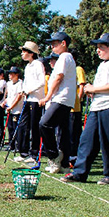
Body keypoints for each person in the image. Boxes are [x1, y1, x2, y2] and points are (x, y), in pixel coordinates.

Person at [62, 33, 109, 185]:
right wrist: (91, 91)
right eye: (97, 48)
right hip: (96, 107)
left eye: (101, 48)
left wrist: (94, 88)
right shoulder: (102, 65)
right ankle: (79, 173)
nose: (98, 51)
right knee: (86, 140)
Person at [39, 32, 77, 174]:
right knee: (63, 132)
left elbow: (58, 77)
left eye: (55, 43)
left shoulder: (64, 57)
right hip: (66, 99)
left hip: (61, 98)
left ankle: (54, 156)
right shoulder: (68, 58)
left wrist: (47, 97)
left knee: (44, 124)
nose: (52, 46)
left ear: (63, 44)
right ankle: (64, 163)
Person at [16, 41, 45, 163]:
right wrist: (24, 90)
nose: (22, 54)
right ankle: (23, 153)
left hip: (36, 100)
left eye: (24, 51)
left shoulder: (38, 64)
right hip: (28, 99)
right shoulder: (28, 66)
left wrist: (29, 90)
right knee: (23, 125)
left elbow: (42, 82)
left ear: (31, 53)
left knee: (34, 127)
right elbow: (27, 82)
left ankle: (34, 154)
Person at [2, 67, 24, 152]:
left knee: (16, 128)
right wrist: (5, 102)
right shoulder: (9, 83)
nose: (10, 75)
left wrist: (11, 106)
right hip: (9, 109)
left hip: (17, 109)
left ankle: (18, 146)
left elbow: (19, 96)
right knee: (10, 127)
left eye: (12, 74)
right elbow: (8, 96)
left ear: (16, 74)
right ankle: (11, 145)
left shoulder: (20, 83)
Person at [69, 63, 87, 163]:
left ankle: (75, 155)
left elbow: (82, 85)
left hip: (74, 108)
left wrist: (78, 100)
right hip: (67, 106)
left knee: (74, 133)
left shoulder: (78, 69)